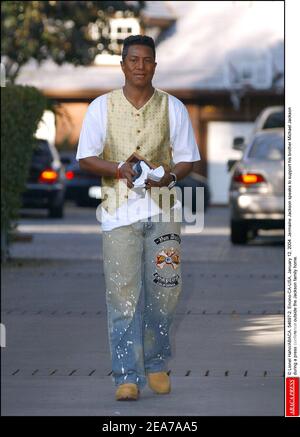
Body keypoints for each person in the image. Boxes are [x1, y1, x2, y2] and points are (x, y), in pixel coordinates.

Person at [76, 35, 200, 401]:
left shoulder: (172, 107)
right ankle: (126, 376)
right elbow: (85, 157)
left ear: (155, 66)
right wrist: (118, 169)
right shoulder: (101, 107)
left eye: (147, 60)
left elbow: (189, 158)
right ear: (123, 65)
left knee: (166, 291)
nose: (140, 66)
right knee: (123, 297)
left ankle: (157, 362)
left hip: (163, 212)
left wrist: (171, 176)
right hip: (118, 215)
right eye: (133, 60)